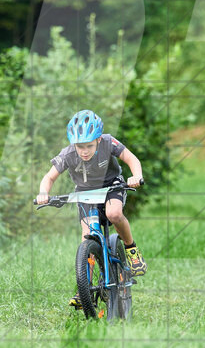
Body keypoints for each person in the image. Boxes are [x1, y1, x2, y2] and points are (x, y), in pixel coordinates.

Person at [36, 110, 146, 308]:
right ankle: (84, 288)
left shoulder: (108, 142)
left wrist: (136, 176)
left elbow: (132, 159)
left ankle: (131, 250)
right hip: (85, 193)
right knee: (87, 235)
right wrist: (43, 192)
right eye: (80, 146)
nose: (84, 151)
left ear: (98, 140)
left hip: (112, 186)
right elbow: (49, 177)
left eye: (89, 146)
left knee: (114, 214)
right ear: (74, 144)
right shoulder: (68, 154)